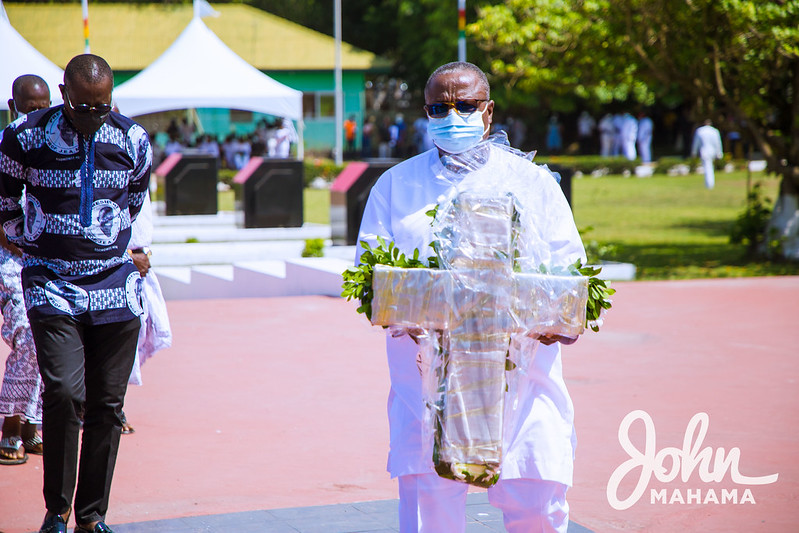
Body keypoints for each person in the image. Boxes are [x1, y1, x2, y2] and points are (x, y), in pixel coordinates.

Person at [357, 61, 585, 533]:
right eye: (440, 107)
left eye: (465, 105)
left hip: (521, 380)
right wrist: (408, 313)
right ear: (425, 112)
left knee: (537, 503)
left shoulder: (532, 183)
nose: (452, 114)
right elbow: (369, 275)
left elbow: (570, 269)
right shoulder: (396, 186)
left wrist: (556, 322)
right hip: (425, 380)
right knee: (430, 513)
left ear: (488, 111)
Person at [0, 54, 152, 533]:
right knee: (64, 392)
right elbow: (5, 204)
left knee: (108, 404)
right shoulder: (24, 137)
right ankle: (56, 511)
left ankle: (92, 516)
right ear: (63, 94)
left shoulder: (132, 139)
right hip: (51, 280)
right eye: (82, 106)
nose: (92, 115)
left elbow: (133, 199)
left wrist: (104, 244)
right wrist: (34, 238)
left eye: (101, 106)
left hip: (113, 283)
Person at [0, 75, 51, 466]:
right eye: (31, 107)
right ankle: (10, 427)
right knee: (28, 337)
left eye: (44, 106)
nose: (39, 113)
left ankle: (32, 426)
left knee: (46, 339)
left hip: (44, 256)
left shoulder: (55, 145)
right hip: (9, 258)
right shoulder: (7, 143)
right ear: (14, 106)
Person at [691, 119, 724, 189]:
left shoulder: (700, 131)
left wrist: (694, 152)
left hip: (704, 151)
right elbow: (718, 143)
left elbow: (696, 143)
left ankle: (709, 184)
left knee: (707, 167)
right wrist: (719, 152)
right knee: (709, 166)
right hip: (712, 151)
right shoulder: (714, 131)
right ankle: (709, 183)